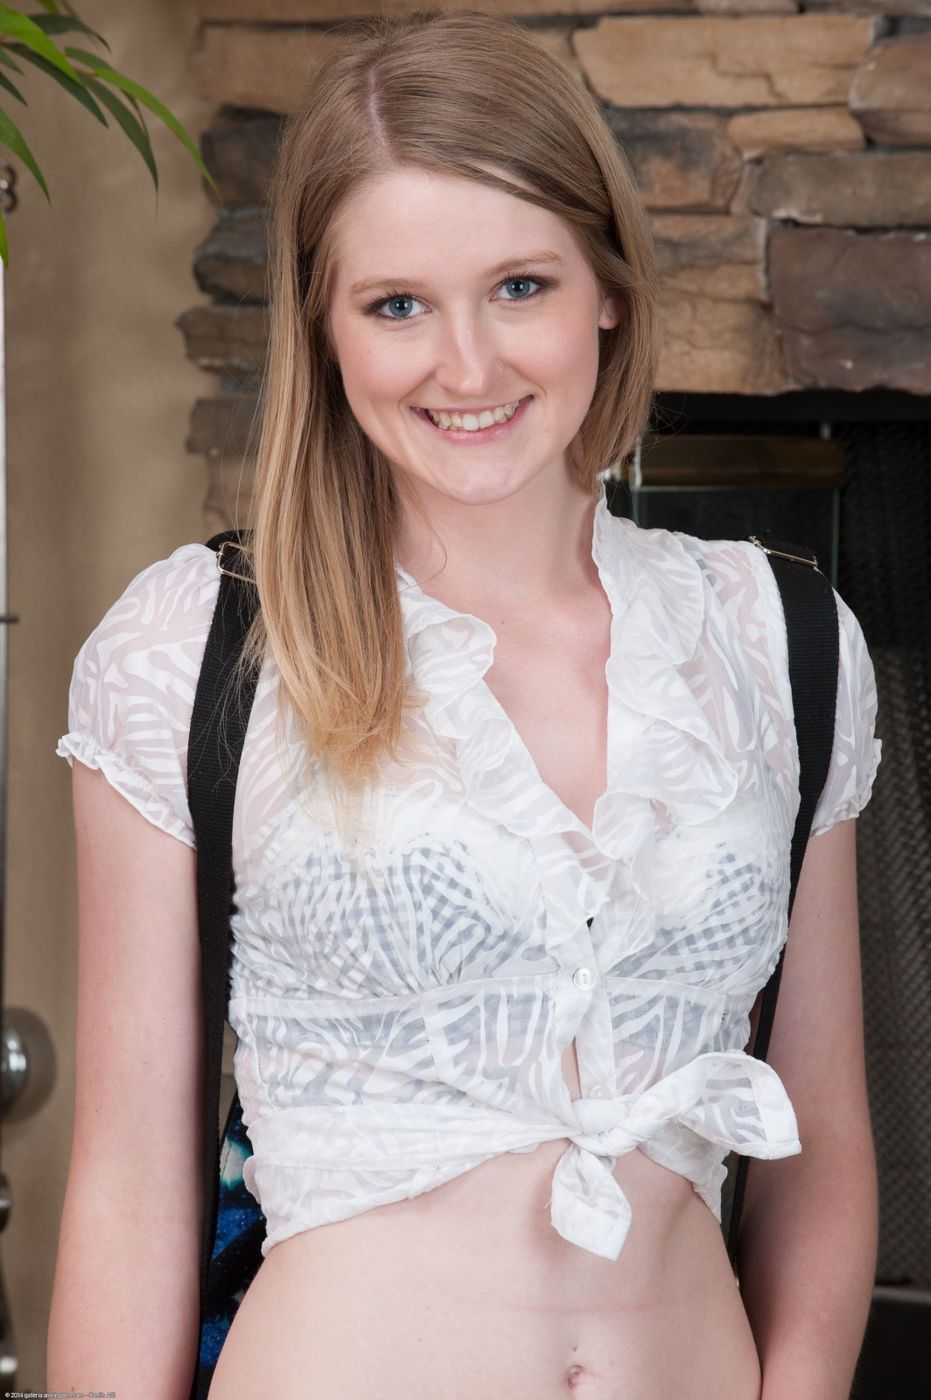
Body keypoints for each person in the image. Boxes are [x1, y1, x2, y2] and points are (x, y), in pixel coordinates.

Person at [47, 9, 882, 1399]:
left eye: (519, 287)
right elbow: (131, 1189)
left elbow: (825, 1145)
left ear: (608, 290)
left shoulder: (777, 639)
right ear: (322, 328)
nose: (469, 366)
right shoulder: (193, 647)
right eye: (397, 306)